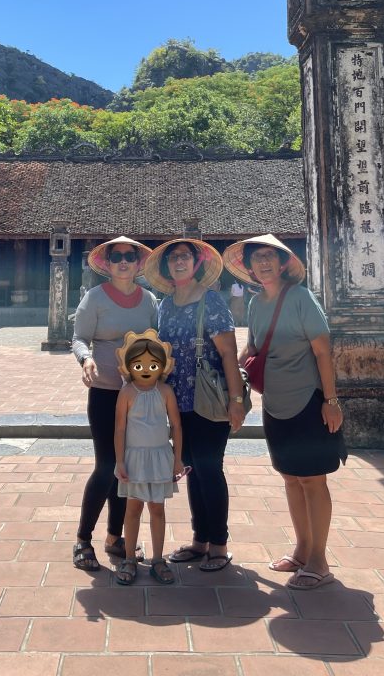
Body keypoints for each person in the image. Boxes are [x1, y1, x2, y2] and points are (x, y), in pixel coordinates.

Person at [224, 234, 346, 590]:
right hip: (274, 402)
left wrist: (331, 400)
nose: (263, 263)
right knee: (291, 477)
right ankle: (302, 549)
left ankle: (320, 560)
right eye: (256, 258)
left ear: (282, 263)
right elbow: (253, 347)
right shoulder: (255, 304)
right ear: (248, 267)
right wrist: (232, 372)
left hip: (308, 399)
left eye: (269, 257)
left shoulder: (301, 298)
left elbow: (323, 350)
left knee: (313, 479)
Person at [144, 238, 245, 573]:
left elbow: (229, 353)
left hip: (208, 398)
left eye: (185, 257)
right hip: (177, 401)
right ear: (166, 267)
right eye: (173, 258)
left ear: (196, 263)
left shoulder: (211, 301)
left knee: (209, 467)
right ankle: (200, 540)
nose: (179, 262)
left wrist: (236, 400)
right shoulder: (165, 304)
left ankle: (219, 543)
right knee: (191, 469)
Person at [71, 236, 158, 572]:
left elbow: (156, 340)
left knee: (128, 468)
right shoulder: (94, 298)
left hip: (138, 393)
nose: (123, 262)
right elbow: (78, 337)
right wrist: (86, 359)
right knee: (107, 464)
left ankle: (114, 536)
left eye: (129, 257)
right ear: (106, 264)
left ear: (138, 265)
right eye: (117, 257)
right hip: (106, 389)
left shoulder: (149, 300)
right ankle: (82, 538)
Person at [113, 330, 183, 585]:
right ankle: (130, 557)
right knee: (133, 508)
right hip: (134, 460)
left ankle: (157, 559)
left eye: (152, 365)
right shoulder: (126, 393)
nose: (145, 369)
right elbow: (119, 428)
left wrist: (177, 459)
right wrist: (120, 460)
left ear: (162, 367)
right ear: (129, 367)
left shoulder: (165, 391)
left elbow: (176, 425)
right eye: (138, 365)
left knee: (157, 509)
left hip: (160, 458)